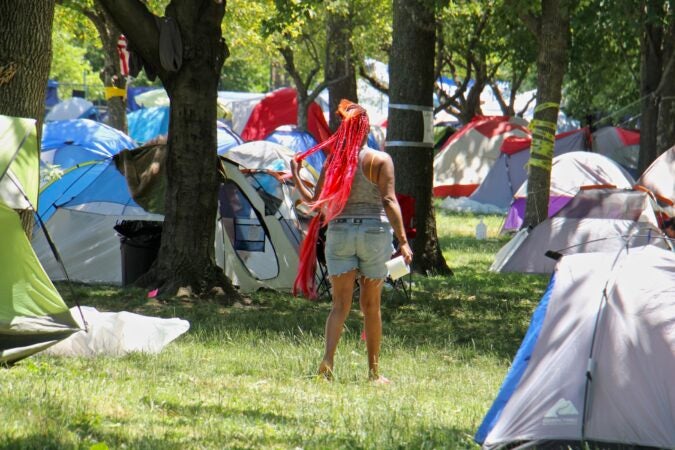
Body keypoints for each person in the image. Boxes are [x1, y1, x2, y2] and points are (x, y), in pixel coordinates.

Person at [290, 100, 413, 383]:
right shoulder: (380, 161)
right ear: (366, 129)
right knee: (371, 306)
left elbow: (315, 203)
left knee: (339, 306)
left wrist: (297, 176)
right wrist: (404, 241)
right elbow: (389, 200)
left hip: (340, 232)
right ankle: (373, 373)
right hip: (374, 234)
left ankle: (328, 361)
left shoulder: (335, 161)